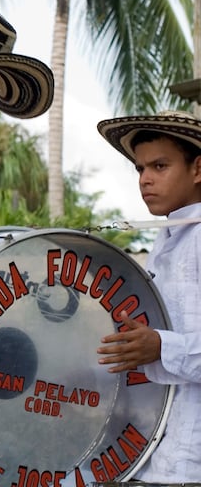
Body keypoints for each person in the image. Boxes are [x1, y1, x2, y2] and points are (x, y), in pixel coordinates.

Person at [95, 110, 201, 483]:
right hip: (150, 454)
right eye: (140, 169)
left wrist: (160, 347)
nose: (145, 180)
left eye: (159, 165)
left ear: (198, 169)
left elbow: (162, 345)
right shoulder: (166, 239)